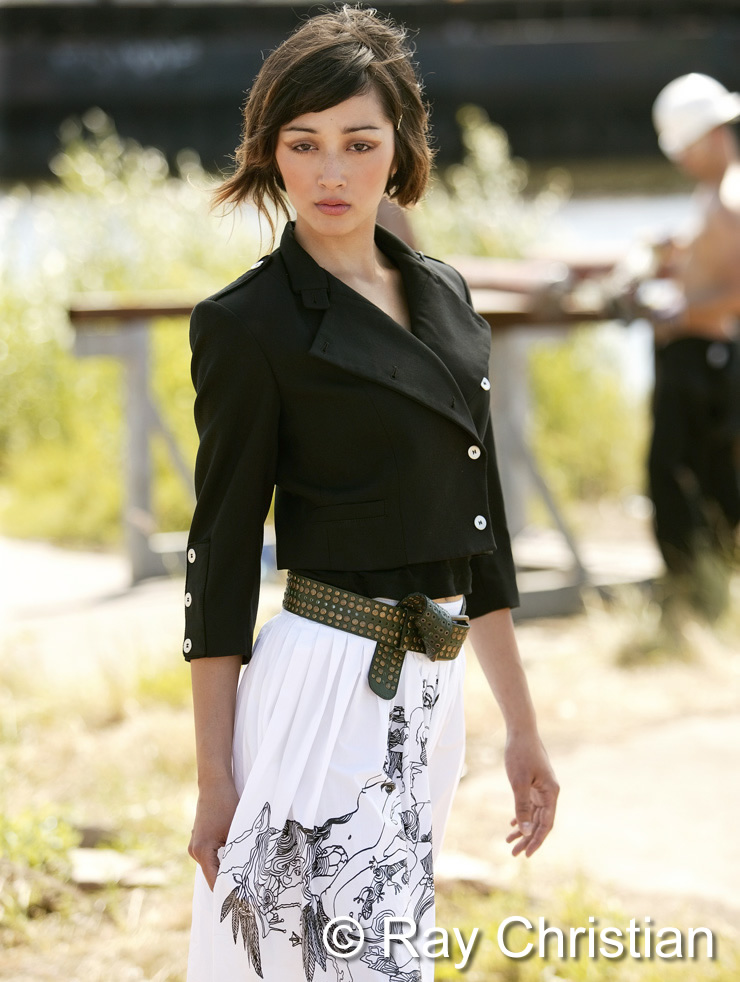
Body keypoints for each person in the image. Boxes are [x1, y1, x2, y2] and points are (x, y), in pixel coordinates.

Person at [182, 8, 558, 981]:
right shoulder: (247, 324)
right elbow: (219, 559)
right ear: (270, 154)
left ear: (400, 147)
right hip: (323, 683)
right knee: (293, 962)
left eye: (358, 143)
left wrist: (521, 727)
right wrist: (215, 778)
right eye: (302, 145)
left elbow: (479, 533)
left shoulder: (445, 298)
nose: (331, 173)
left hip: (432, 690)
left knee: (388, 958)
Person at [644, 73, 740, 617]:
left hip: (705, 358)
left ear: (707, 136)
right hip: (700, 357)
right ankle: (705, 589)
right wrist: (678, 255)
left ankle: (690, 591)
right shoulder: (718, 194)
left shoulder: (729, 199)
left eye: (684, 148)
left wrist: (680, 313)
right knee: (706, 473)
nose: (680, 160)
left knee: (676, 473)